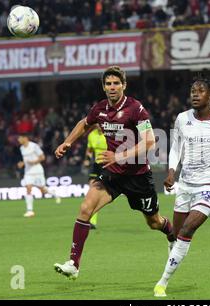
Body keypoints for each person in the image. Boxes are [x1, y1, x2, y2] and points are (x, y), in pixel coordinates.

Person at [53, 66, 175, 279]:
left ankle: (173, 236)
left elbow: (149, 141)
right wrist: (67, 142)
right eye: (108, 83)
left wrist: (118, 156)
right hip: (112, 175)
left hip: (138, 177)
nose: (112, 87)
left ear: (124, 85)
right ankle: (74, 263)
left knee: (154, 222)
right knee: (85, 208)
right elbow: (85, 123)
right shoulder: (99, 108)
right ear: (103, 86)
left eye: (116, 83)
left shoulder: (136, 109)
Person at [153, 75, 210, 297]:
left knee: (187, 229)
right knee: (175, 234)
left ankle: (162, 282)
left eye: (200, 91)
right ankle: (174, 250)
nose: (194, 94)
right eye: (193, 90)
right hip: (186, 185)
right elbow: (175, 148)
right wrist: (172, 172)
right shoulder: (182, 119)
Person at [17, 133, 61, 218]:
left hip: (37, 171)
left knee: (43, 190)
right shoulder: (21, 148)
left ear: (25, 138)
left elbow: (42, 157)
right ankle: (30, 211)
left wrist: (33, 162)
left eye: (19, 138)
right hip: (28, 172)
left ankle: (54, 194)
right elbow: (26, 160)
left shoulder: (34, 146)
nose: (18, 140)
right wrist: (22, 163)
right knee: (28, 188)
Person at [83, 124, 108, 229]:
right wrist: (87, 159)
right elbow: (89, 150)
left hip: (108, 164)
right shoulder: (91, 135)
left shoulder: (110, 134)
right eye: (97, 123)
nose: (98, 125)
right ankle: (91, 221)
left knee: (103, 193)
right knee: (92, 191)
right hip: (96, 165)